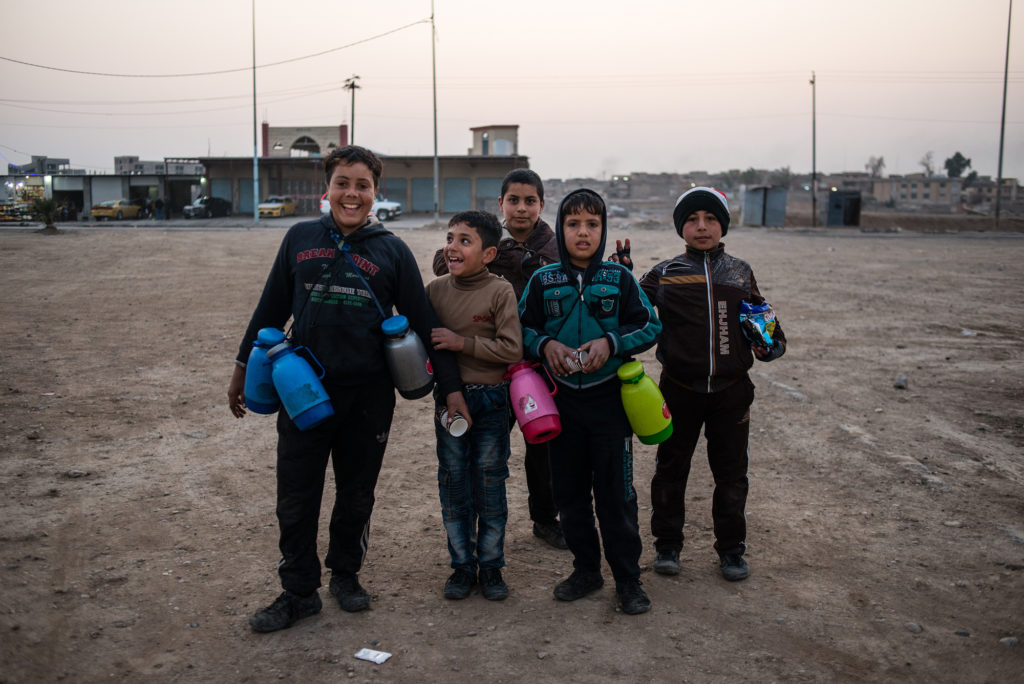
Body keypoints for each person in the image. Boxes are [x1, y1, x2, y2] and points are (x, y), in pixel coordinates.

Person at [227, 145, 470, 633]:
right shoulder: (299, 239)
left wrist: (451, 390)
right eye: (343, 183)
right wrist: (239, 368)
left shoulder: (392, 251)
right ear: (328, 187)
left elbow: (424, 327)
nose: (352, 194)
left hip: (368, 398)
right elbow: (270, 308)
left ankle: (345, 575)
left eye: (362, 185)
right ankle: (298, 591)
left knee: (357, 494)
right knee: (296, 495)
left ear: (375, 193)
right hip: (302, 393)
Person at [518, 188, 662, 615]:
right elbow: (521, 329)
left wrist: (612, 342)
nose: (583, 233)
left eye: (592, 224)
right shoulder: (542, 281)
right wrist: (544, 346)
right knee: (570, 493)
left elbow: (650, 326)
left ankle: (628, 579)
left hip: (609, 404)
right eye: (573, 224)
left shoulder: (620, 279)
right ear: (561, 229)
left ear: (604, 229)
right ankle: (585, 570)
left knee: (616, 495)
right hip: (560, 403)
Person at [638, 187, 787, 582]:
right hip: (678, 389)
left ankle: (731, 550)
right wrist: (619, 273)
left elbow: (762, 318)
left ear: (723, 225)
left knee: (732, 474)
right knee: (670, 470)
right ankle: (667, 546)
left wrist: (770, 342)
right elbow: (629, 308)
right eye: (691, 220)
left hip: (731, 391)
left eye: (710, 219)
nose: (701, 227)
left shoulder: (739, 271)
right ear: (680, 228)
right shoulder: (665, 273)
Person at [432, 169, 569, 549]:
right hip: (487, 369)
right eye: (513, 200)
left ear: (542, 205)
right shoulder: (487, 238)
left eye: (530, 201)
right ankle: (476, 531)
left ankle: (545, 518)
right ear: (501, 204)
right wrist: (502, 255)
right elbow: (443, 264)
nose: (521, 208)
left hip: (537, 363)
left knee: (542, 447)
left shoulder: (555, 248)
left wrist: (524, 262)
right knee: (481, 453)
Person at [426, 210, 524, 601]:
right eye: (450, 238)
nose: (452, 247)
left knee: (489, 483)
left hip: (492, 402)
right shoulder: (434, 291)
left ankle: (492, 566)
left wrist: (461, 343)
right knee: (453, 483)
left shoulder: (500, 292)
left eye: (464, 241)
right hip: (448, 404)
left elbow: (512, 348)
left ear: (488, 254)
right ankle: (463, 567)